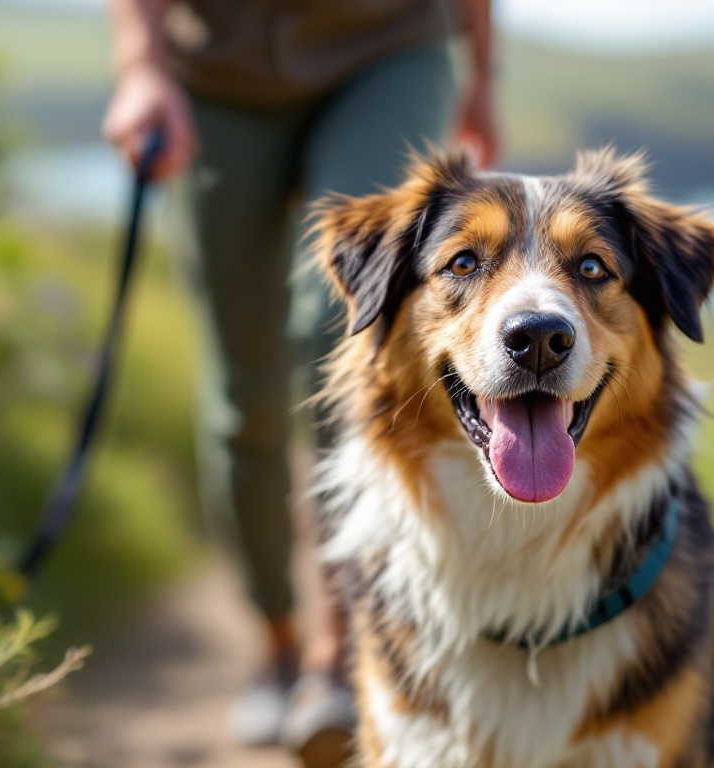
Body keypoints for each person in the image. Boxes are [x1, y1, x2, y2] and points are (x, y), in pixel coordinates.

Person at [101, 0, 497, 764]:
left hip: (385, 47)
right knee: (241, 396)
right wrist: (142, 68)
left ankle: (340, 650)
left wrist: (483, 72)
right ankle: (276, 639)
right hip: (216, 73)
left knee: (342, 333)